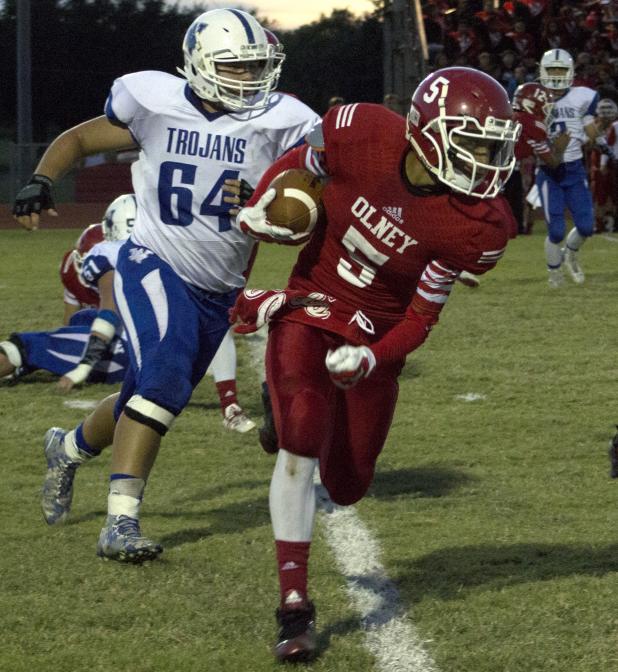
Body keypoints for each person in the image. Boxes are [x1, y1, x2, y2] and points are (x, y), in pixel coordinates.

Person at [233, 66, 520, 663]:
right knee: (302, 439)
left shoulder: (479, 226)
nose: (489, 162)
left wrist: (372, 357)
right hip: (312, 303)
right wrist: (270, 201)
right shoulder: (360, 129)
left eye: (495, 147)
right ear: (425, 132)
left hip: (376, 336)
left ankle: (284, 410)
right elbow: (300, 165)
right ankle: (294, 607)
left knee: (348, 484)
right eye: (475, 145)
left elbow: (420, 319)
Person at [13, 9, 320, 557]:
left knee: (145, 393)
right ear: (201, 64)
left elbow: (318, 187)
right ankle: (120, 524)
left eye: (257, 67)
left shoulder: (282, 120)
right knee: (163, 381)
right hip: (154, 260)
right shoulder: (155, 101)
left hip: (218, 288)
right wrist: (41, 179)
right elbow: (81, 139)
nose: (251, 79)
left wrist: (269, 205)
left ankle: (68, 449)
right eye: (238, 68)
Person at [536, 48, 610, 287]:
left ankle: (570, 254)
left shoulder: (583, 96)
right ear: (543, 71)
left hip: (574, 169)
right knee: (555, 231)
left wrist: (602, 131)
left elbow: (590, 130)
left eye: (561, 70)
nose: (556, 75)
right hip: (549, 171)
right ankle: (554, 273)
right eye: (552, 70)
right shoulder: (533, 96)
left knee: (586, 227)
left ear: (570, 72)